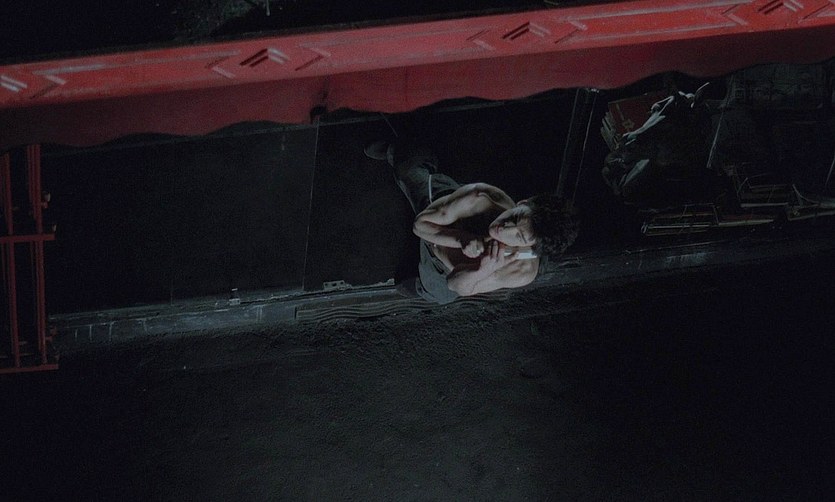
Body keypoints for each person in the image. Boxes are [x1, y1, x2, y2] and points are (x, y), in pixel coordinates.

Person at [365, 140, 578, 304]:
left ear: (529, 247)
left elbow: (460, 286)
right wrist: (462, 238)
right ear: (523, 203)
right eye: (515, 217)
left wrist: (483, 270)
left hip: (442, 267)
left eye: (519, 236)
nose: (505, 228)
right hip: (447, 217)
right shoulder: (482, 198)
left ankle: (423, 284)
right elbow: (420, 225)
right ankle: (406, 149)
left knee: (435, 292)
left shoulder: (521, 270)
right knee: (409, 170)